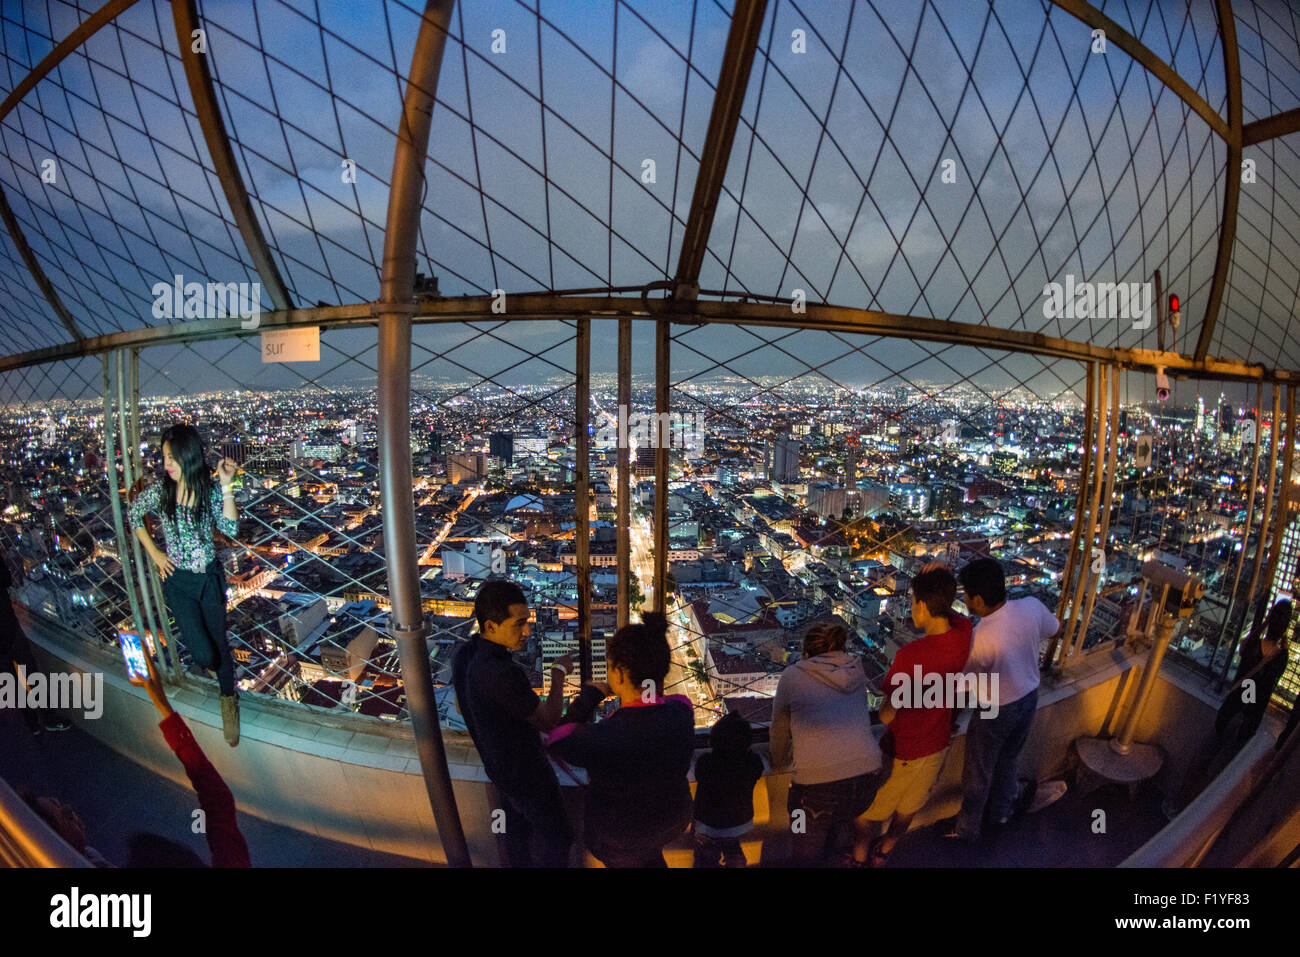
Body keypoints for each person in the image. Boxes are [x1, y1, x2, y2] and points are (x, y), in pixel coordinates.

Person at [547, 612, 695, 867]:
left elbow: (557, 739)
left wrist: (592, 695)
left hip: (618, 835)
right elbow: (670, 701)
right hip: (673, 820)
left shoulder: (604, 736)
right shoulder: (681, 713)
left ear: (618, 673)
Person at [128, 424, 241, 746]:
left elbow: (230, 528)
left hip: (208, 579)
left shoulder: (209, 490)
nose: (167, 464)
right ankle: (211, 672)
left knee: (219, 645)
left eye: (172, 457)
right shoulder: (161, 491)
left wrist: (227, 485)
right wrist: (155, 554)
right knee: (205, 655)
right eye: (164, 457)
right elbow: (134, 515)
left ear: (188, 457)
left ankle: (228, 702)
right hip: (177, 582)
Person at [855, 567, 972, 866]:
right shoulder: (963, 634)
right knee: (910, 804)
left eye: (912, 601)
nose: (911, 609)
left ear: (921, 605)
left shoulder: (911, 655)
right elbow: (955, 615)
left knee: (865, 812)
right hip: (938, 742)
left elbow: (885, 715)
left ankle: (860, 856)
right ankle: (887, 848)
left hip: (904, 750)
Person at [451, 580, 572, 867]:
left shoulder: (465, 656)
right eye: (519, 624)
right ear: (491, 626)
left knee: (515, 836)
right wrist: (558, 674)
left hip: (498, 768)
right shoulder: (502, 672)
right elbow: (548, 721)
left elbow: (462, 704)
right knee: (559, 838)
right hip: (527, 774)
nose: (527, 631)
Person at [951, 557, 1060, 842]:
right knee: (1008, 758)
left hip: (993, 708)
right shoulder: (1031, 606)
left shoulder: (981, 637)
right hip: (1029, 697)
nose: (964, 599)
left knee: (979, 769)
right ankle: (1001, 813)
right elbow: (1054, 628)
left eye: (965, 594)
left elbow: (965, 684)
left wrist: (952, 717)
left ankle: (967, 828)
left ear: (977, 598)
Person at [770, 621, 884, 867]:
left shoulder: (793, 675)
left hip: (812, 792)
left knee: (801, 839)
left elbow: (778, 729)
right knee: (838, 828)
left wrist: (779, 763)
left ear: (806, 655)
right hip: (867, 782)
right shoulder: (857, 669)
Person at [0, 552, 71, 734]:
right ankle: (46, 717)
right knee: (30, 670)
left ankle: (31, 723)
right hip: (7, 625)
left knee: (12, 680)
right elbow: (6, 579)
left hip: (7, 625)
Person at [691, 711, 764, 868]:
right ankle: (736, 861)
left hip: (708, 825)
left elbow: (699, 774)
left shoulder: (706, 763)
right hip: (740, 822)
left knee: (706, 859)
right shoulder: (752, 762)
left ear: (713, 740)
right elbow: (756, 764)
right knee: (732, 845)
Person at [1216, 599, 1292, 748]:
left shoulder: (1253, 646)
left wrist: (1265, 622)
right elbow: (1258, 687)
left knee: (1214, 747)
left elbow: (1245, 647)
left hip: (1232, 710)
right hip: (1248, 719)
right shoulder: (1280, 657)